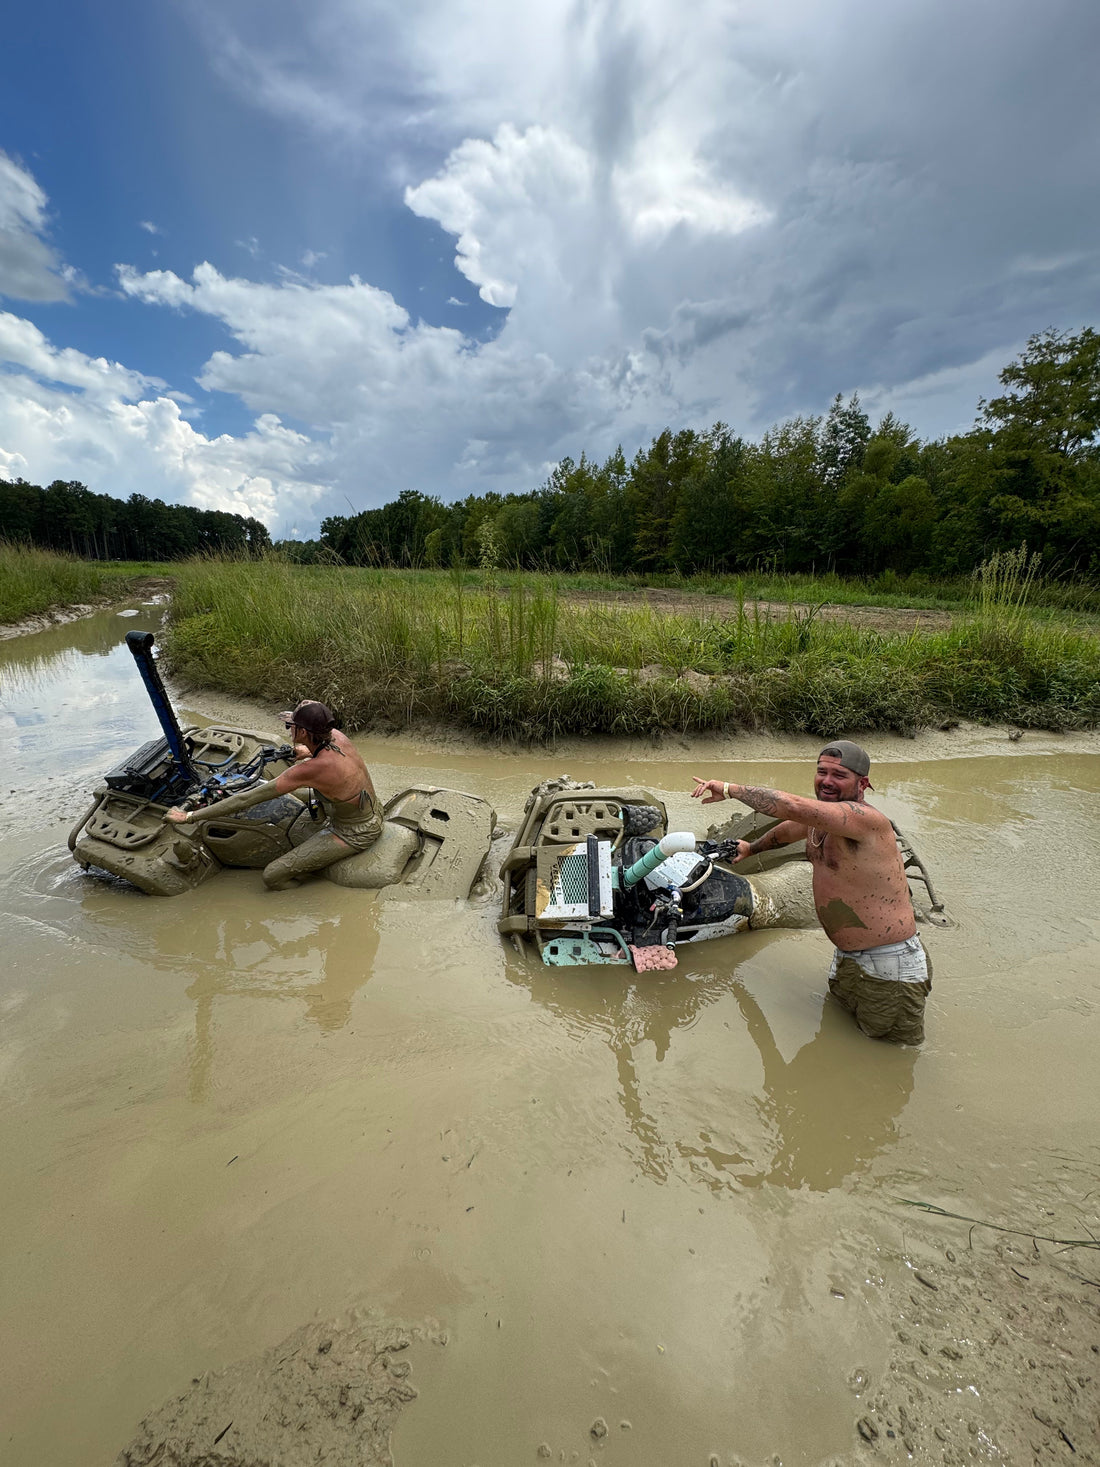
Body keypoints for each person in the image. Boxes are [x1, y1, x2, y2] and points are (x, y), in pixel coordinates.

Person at [691, 740, 931, 1044]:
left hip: (889, 965)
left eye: (839, 775)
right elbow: (789, 828)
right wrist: (751, 848)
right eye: (822, 772)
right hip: (847, 958)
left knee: (890, 1052)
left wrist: (728, 789)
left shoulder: (865, 819)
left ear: (862, 783)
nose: (827, 781)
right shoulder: (822, 820)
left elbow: (792, 806)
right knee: (840, 1040)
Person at [166, 700, 384, 889]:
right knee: (297, 792)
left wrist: (189, 817)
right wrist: (307, 751)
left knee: (272, 876)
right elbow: (328, 757)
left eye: (291, 726)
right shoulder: (336, 736)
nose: (288, 731)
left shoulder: (311, 770)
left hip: (355, 832)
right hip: (368, 808)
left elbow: (245, 798)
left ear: (303, 733)